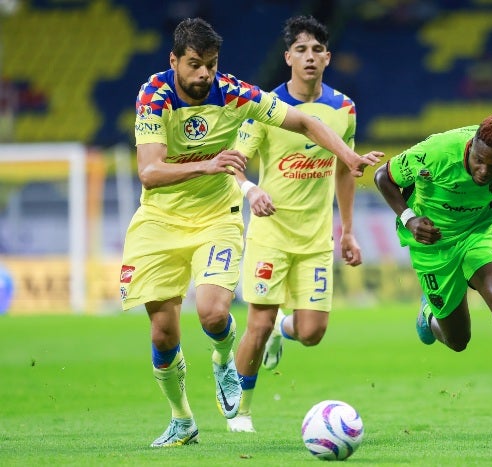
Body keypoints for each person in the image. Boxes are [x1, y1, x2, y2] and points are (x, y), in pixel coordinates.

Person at [120, 17, 381, 448]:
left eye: (211, 64)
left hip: (216, 216)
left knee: (213, 312)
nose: (204, 73)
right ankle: (182, 418)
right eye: (194, 64)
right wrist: (209, 164)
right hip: (160, 220)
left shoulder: (235, 93)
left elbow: (304, 124)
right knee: (163, 332)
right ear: (174, 61)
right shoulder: (155, 93)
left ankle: (223, 359)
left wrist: (348, 156)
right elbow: (149, 172)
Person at [226, 15, 380, 433]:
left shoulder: (343, 109)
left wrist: (347, 230)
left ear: (327, 58)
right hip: (270, 235)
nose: (309, 57)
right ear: (288, 57)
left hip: (314, 239)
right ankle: (241, 413)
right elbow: (233, 165)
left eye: (317, 50)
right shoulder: (265, 108)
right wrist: (251, 190)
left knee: (312, 333)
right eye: (301, 50)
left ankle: (284, 329)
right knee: (256, 325)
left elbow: (345, 171)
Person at [373, 114, 492, 446]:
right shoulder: (436, 153)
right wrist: (409, 219)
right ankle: (428, 315)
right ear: (472, 147)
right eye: (479, 161)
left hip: (479, 232)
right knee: (458, 340)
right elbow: (384, 176)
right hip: (433, 244)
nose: (484, 171)